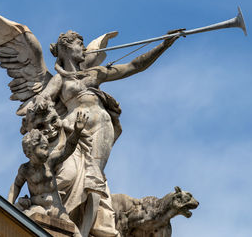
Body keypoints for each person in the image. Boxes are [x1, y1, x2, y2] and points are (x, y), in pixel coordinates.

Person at [35, 29, 183, 236]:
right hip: (74, 128)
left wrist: (164, 45)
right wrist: (41, 102)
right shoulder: (60, 79)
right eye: (80, 44)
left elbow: (134, 66)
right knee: (68, 172)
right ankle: (55, 211)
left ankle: (82, 228)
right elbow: (43, 98)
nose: (84, 48)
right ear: (66, 48)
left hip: (100, 129)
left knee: (93, 178)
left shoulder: (95, 73)